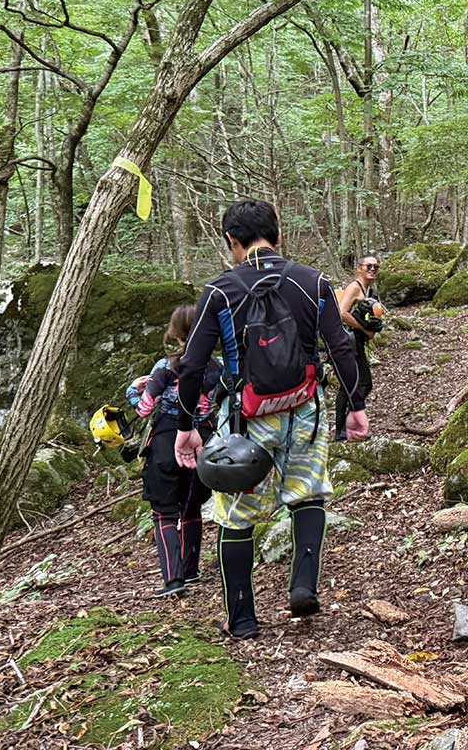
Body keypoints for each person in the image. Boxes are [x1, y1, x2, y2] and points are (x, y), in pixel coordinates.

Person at [173, 200, 368, 639]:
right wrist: (355, 404)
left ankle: (241, 619)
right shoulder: (312, 280)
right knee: (308, 493)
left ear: (232, 242)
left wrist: (186, 427)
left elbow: (192, 363)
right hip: (306, 410)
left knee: (235, 515)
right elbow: (339, 346)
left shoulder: (221, 291)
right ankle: (302, 586)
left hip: (245, 421)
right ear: (278, 235)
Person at [125, 305, 223, 599]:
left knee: (165, 512)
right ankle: (191, 571)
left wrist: (133, 389)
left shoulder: (164, 367)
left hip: (167, 442)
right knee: (192, 507)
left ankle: (173, 579)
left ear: (175, 332)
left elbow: (143, 409)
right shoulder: (217, 365)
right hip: (205, 441)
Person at [334, 255, 381, 442]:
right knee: (355, 384)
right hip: (347, 342)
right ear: (359, 268)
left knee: (358, 384)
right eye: (369, 266)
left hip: (358, 342)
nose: (373, 269)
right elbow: (341, 312)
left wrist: (373, 329)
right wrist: (362, 327)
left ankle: (346, 426)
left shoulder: (371, 290)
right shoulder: (354, 287)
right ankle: (342, 429)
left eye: (376, 267)